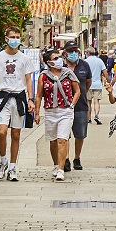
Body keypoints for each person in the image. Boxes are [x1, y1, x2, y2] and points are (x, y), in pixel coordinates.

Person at [0, 30, 35, 182]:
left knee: (16, 134)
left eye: (17, 37)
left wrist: (30, 99)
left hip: (18, 97)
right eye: (12, 37)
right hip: (3, 97)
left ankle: (13, 166)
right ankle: (3, 161)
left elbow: (28, 80)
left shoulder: (24, 59)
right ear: (6, 38)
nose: (15, 40)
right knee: (2, 131)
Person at [37, 51, 81, 182]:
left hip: (65, 111)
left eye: (59, 57)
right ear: (48, 62)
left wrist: (72, 105)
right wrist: (37, 113)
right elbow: (39, 95)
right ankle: (56, 164)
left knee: (62, 139)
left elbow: (77, 90)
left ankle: (61, 169)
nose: (59, 60)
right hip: (50, 111)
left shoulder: (68, 73)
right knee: (53, 140)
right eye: (55, 58)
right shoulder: (43, 76)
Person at [65, 47, 93, 171]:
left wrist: (81, 93)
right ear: (65, 53)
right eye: (70, 51)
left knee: (80, 134)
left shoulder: (84, 65)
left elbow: (88, 82)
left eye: (75, 51)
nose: (73, 54)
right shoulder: (61, 66)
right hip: (64, 105)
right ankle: (65, 158)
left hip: (81, 105)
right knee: (64, 134)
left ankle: (77, 158)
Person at [81, 44, 110, 168]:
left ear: (87, 53)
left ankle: (88, 118)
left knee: (88, 102)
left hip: (88, 84)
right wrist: (108, 80)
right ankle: (97, 115)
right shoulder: (99, 61)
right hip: (97, 84)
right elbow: (105, 72)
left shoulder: (85, 61)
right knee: (97, 102)